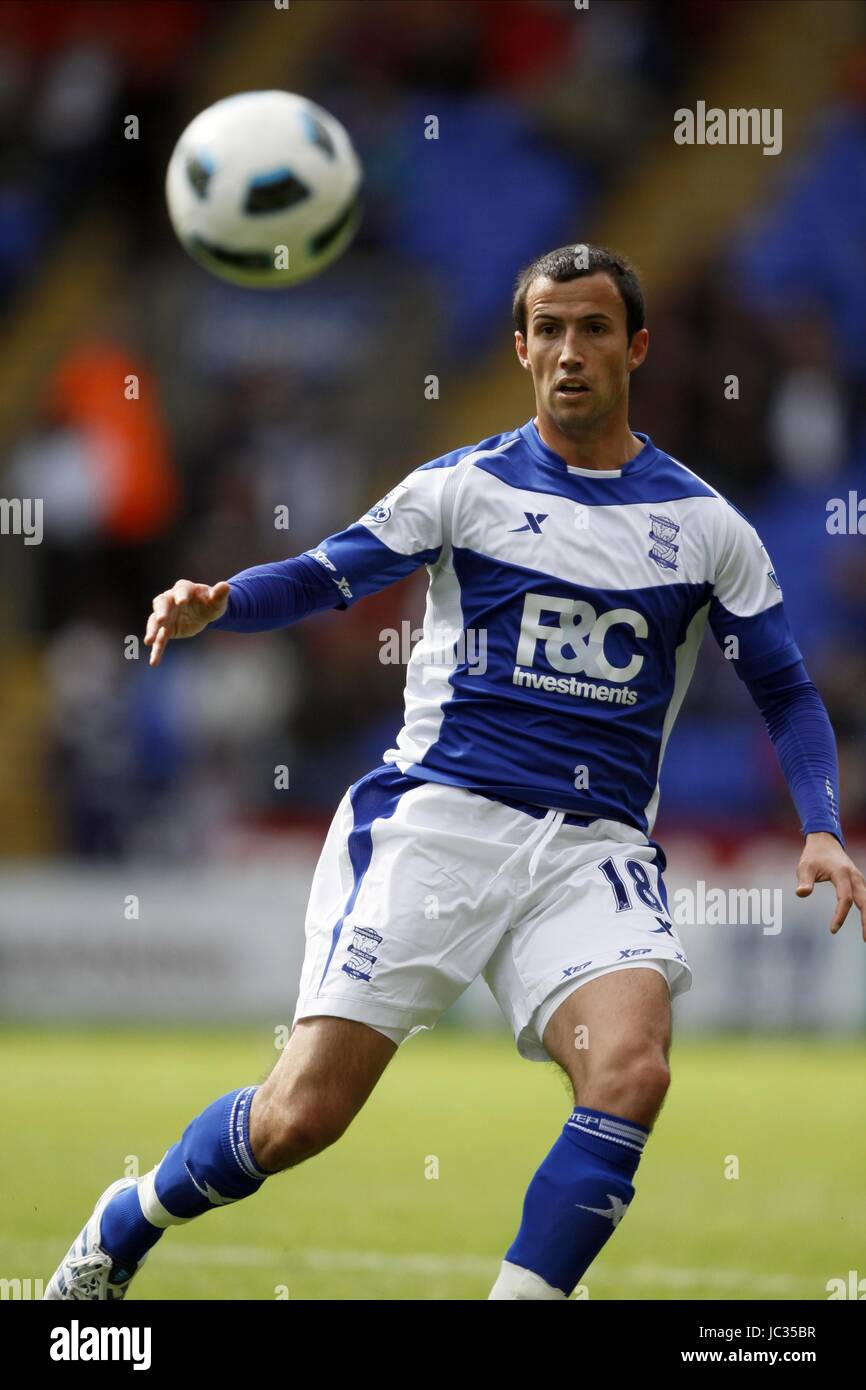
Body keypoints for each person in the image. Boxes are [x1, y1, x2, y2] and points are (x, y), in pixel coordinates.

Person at [44, 245, 866, 1302]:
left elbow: (787, 692)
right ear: (521, 347)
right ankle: (131, 1213)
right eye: (551, 330)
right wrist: (223, 602)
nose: (571, 351)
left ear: (636, 347)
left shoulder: (705, 528)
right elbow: (326, 572)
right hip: (435, 825)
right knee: (299, 1118)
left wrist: (817, 821)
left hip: (591, 849)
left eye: (595, 328)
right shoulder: (462, 488)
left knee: (631, 1069)